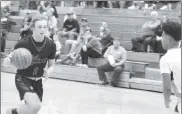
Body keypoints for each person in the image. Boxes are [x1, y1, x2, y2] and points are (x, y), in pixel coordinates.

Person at [4, 15, 56, 114]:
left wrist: (48, 72)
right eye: (39, 27)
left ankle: (12, 112)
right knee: (34, 105)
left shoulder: (51, 45)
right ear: (33, 29)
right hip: (23, 78)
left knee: (34, 109)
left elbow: (52, 65)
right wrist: (9, 59)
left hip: (38, 80)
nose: (43, 29)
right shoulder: (23, 43)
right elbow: (6, 62)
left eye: (45, 27)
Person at [159, 21, 181, 113]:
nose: (161, 38)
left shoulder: (165, 59)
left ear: (169, 40)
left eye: (163, 35)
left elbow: (167, 86)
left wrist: (166, 99)